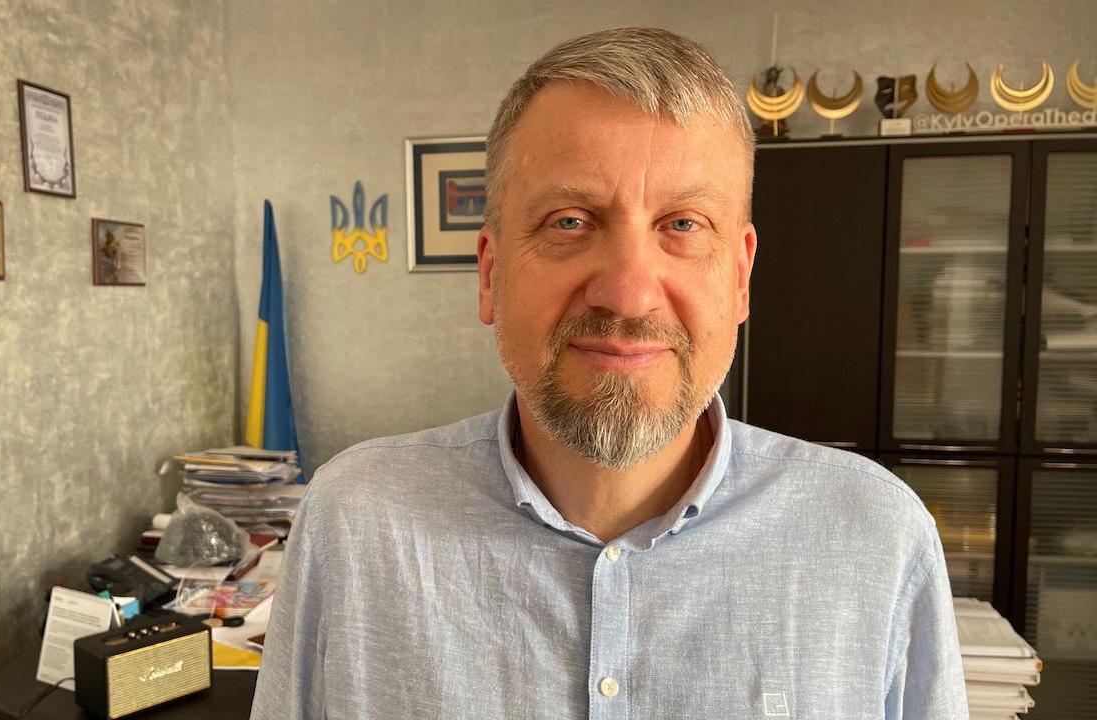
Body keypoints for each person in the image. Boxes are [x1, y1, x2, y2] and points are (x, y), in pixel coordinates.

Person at [252, 27, 968, 719]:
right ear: (491, 275)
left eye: (683, 225)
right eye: (569, 222)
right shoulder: (355, 527)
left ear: (741, 278)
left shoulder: (875, 538)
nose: (627, 291)